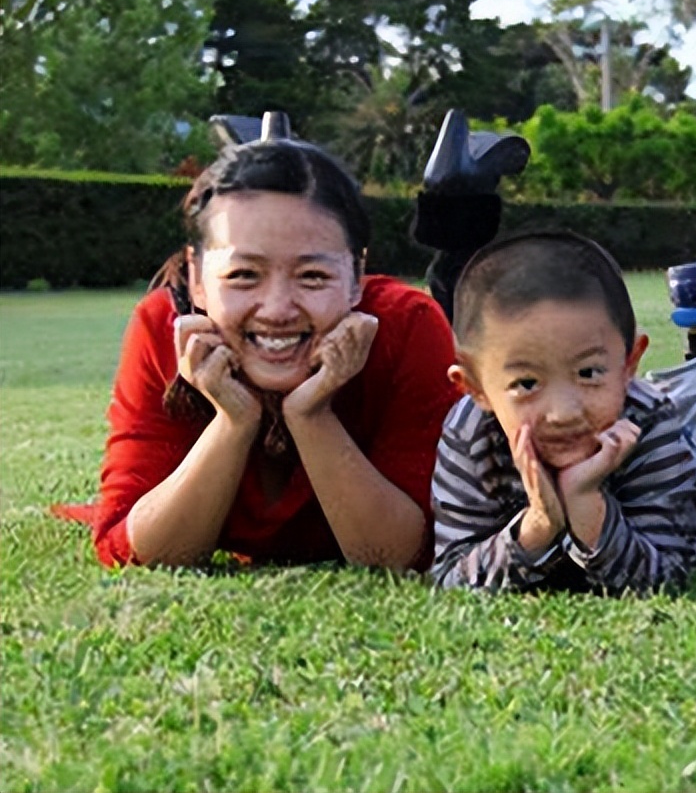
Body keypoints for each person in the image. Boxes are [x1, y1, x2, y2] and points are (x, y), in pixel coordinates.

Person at [90, 113, 466, 569]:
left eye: (312, 276)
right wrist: (233, 421)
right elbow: (138, 552)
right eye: (244, 275)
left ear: (355, 278)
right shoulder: (163, 329)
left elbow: (400, 557)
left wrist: (311, 414)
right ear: (198, 278)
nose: (277, 309)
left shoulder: (406, 326)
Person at [431, 231, 696, 593]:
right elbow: (451, 577)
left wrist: (586, 502)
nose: (563, 412)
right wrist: (539, 525)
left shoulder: (647, 422)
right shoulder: (469, 434)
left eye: (589, 374)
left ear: (629, 364)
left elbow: (665, 575)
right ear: (475, 387)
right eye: (526, 383)